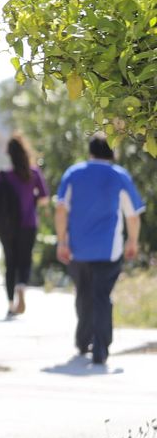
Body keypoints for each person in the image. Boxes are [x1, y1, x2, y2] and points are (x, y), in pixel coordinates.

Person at [54, 134, 144, 365]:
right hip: (108, 249)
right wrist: (132, 242)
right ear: (113, 152)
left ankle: (83, 340)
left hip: (78, 249)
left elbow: (61, 210)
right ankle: (101, 347)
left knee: (84, 294)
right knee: (101, 296)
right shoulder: (119, 176)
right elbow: (132, 215)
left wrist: (62, 242)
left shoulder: (73, 174)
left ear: (90, 151)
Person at [0, 134, 48, 317]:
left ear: (8, 154)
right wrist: (32, 198)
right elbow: (44, 199)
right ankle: (21, 286)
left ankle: (11, 304)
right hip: (29, 224)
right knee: (24, 260)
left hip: (7, 227)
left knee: (10, 263)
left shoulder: (1, 176)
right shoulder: (33, 174)